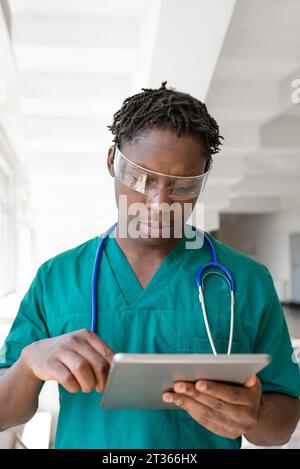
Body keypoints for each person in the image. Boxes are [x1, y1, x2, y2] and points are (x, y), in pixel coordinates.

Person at [0, 81, 299, 449]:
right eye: (142, 178)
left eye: (182, 186)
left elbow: (282, 425)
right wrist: (30, 362)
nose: (159, 202)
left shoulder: (247, 281)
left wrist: (254, 415)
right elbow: (5, 413)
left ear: (203, 182)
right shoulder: (56, 278)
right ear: (113, 161)